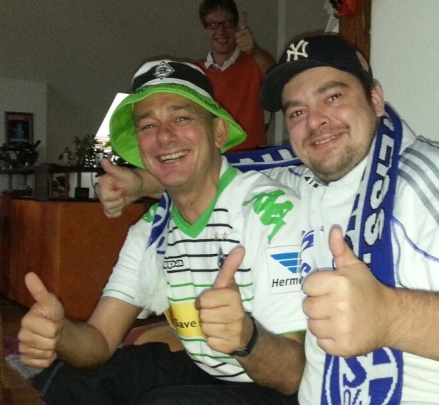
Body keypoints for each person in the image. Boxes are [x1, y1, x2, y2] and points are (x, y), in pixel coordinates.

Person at [97, 34, 439, 404]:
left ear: (376, 100)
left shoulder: (431, 179)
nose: (315, 121)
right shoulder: (305, 179)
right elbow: (211, 170)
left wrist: (389, 315)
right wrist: (141, 183)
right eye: (297, 111)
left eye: (333, 97)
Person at [19, 60, 307, 405]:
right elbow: (100, 338)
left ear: (217, 132)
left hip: (276, 387)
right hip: (207, 373)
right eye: (148, 125)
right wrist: (61, 333)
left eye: (181, 118)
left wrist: (246, 337)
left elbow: (292, 376)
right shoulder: (151, 230)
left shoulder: (271, 212)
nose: (164, 137)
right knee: (72, 379)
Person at [196, 0, 275, 151]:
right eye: (213, 25)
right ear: (205, 30)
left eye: (227, 23)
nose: (221, 31)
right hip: (212, 159)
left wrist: (255, 50)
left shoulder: (255, 62)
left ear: (237, 26)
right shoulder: (194, 71)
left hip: (252, 159)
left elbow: (281, 81)